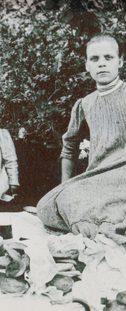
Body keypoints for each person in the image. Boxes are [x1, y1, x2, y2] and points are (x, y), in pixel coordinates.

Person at [37, 32, 126, 244]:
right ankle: (106, 224)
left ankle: (105, 224)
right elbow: (69, 147)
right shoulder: (85, 104)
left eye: (108, 58)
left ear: (120, 62)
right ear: (86, 65)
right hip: (98, 177)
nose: (102, 64)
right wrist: (65, 186)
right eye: (94, 59)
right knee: (47, 204)